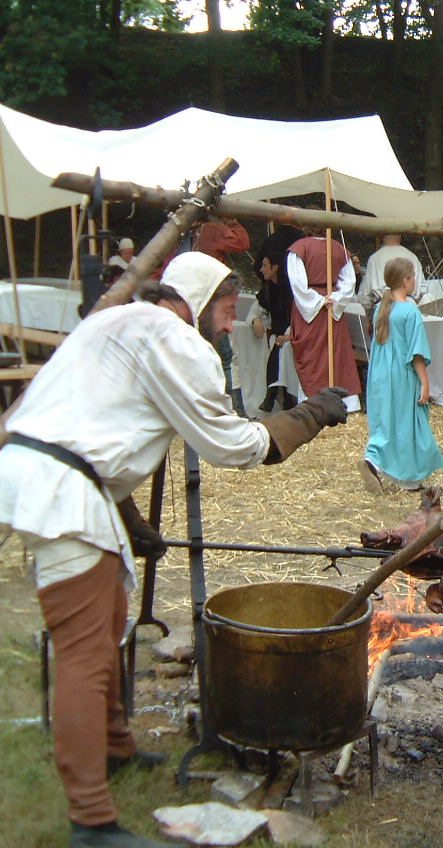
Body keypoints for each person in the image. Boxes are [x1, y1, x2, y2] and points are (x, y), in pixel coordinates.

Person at [0, 251, 349, 848]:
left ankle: (115, 750)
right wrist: (309, 415)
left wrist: (129, 519)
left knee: (109, 620)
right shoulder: (176, 339)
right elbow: (230, 444)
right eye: (225, 306)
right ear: (198, 297)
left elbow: (94, 427)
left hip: (54, 476)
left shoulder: (114, 320)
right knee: (84, 654)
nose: (230, 321)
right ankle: (90, 821)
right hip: (61, 491)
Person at [361, 258, 443, 493]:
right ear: (406, 281)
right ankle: (382, 465)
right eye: (414, 277)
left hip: (380, 374)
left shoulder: (381, 308)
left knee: (387, 421)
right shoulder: (410, 312)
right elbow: (416, 352)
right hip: (402, 374)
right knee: (408, 423)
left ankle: (387, 466)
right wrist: (425, 382)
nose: (415, 280)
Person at [286, 227, 363, 414]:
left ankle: (320, 404)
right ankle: (327, 403)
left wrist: (324, 300)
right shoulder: (338, 249)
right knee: (330, 354)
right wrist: (333, 299)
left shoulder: (299, 249)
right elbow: (349, 282)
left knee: (327, 355)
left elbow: (297, 282)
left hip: (318, 308)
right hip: (323, 308)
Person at [194, 218, 252, 415]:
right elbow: (242, 242)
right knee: (225, 357)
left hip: (199, 298)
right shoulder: (212, 230)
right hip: (213, 298)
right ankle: (231, 410)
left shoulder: (191, 233)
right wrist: (232, 221)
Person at [248, 226, 303, 414]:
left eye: (265, 266)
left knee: (283, 349)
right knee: (279, 347)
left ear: (275, 267)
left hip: (295, 335)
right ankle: (278, 396)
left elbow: (300, 316)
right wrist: (255, 319)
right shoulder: (269, 289)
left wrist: (289, 335)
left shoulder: (292, 290)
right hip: (278, 336)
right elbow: (256, 308)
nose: (261, 270)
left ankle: (275, 394)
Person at [356, 233, 427, 318]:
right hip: (409, 308)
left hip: (382, 311)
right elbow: (423, 291)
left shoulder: (374, 259)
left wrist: (368, 316)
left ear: (382, 236)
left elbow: (365, 298)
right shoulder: (413, 257)